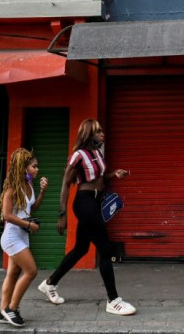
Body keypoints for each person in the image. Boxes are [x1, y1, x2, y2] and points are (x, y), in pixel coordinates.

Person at [37, 119, 136, 316]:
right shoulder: (78, 156)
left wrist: (113, 174)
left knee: (81, 248)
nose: (102, 134)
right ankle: (113, 300)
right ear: (88, 134)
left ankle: (50, 284)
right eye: (98, 131)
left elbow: (99, 179)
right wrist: (62, 214)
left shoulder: (97, 153)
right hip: (85, 203)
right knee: (105, 249)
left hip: (96, 202)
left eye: (101, 130)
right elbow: (66, 184)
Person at [0, 148, 48, 327]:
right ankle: (11, 308)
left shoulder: (29, 186)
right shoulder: (11, 188)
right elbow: (8, 215)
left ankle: (1, 312)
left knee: (13, 273)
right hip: (12, 237)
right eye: (34, 166)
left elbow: (31, 208)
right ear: (23, 167)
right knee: (31, 271)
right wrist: (28, 225)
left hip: (22, 236)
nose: (36, 169)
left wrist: (42, 192)